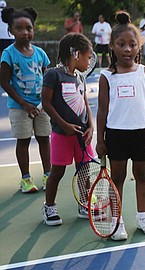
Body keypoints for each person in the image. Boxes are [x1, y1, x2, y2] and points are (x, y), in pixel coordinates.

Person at [96, 11, 145, 240]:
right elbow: (102, 110)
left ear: (139, 46)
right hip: (116, 135)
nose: (127, 49)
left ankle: (142, 216)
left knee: (142, 175)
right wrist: (100, 140)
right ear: (112, 46)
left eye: (132, 44)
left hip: (142, 133)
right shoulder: (106, 76)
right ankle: (117, 221)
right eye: (121, 44)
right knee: (118, 178)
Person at [40, 33, 95, 225]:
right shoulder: (53, 74)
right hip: (62, 134)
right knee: (57, 172)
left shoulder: (80, 77)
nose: (90, 61)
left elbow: (85, 102)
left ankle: (83, 203)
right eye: (88, 57)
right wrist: (64, 125)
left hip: (82, 135)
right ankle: (49, 207)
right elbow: (46, 103)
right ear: (76, 54)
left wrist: (91, 126)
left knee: (84, 171)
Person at [0, 6, 51, 194]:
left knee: (44, 139)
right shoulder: (8, 54)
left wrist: (45, 101)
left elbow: (48, 79)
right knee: (23, 141)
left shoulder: (40, 53)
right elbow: (4, 82)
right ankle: (26, 179)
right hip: (19, 107)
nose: (25, 32)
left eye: (29, 28)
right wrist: (24, 104)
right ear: (10, 31)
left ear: (33, 29)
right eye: (19, 28)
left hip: (41, 107)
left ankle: (48, 174)